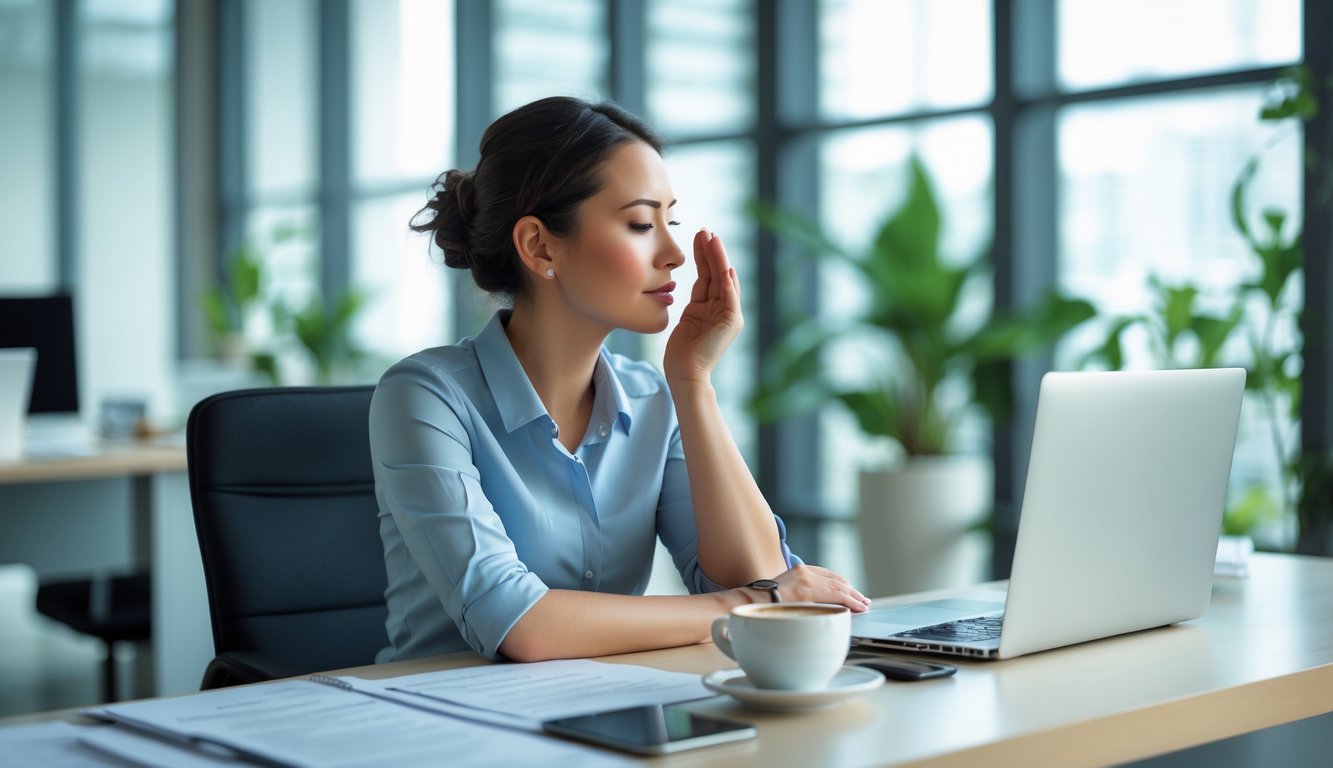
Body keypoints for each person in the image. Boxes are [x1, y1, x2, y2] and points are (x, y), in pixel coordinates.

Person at [369, 96, 869, 664]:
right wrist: (752, 602)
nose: (676, 253)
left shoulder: (655, 398)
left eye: (670, 220)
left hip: (607, 716)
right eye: (639, 223)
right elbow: (518, 623)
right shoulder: (425, 396)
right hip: (439, 727)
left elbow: (756, 579)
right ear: (539, 245)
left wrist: (693, 381)